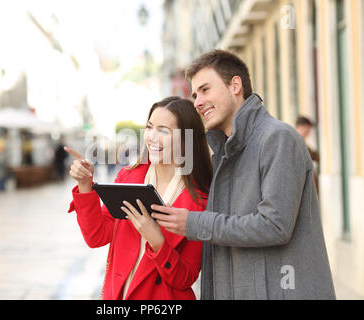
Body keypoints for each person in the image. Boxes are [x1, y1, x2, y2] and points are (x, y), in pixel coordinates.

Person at [152, 50, 336, 300]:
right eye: (195, 95)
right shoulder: (223, 154)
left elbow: (275, 225)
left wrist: (195, 223)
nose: (197, 102)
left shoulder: (278, 138)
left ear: (235, 85)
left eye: (205, 90)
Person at [66, 97, 212, 300]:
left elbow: (185, 278)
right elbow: (96, 236)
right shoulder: (129, 178)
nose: (151, 137)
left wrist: (157, 241)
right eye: (150, 127)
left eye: (163, 131)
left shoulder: (200, 201)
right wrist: (84, 185)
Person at [295, 116, 320, 192]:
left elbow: (316, 157)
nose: (309, 132)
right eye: (307, 129)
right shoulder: (295, 143)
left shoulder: (303, 144)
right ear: (299, 127)